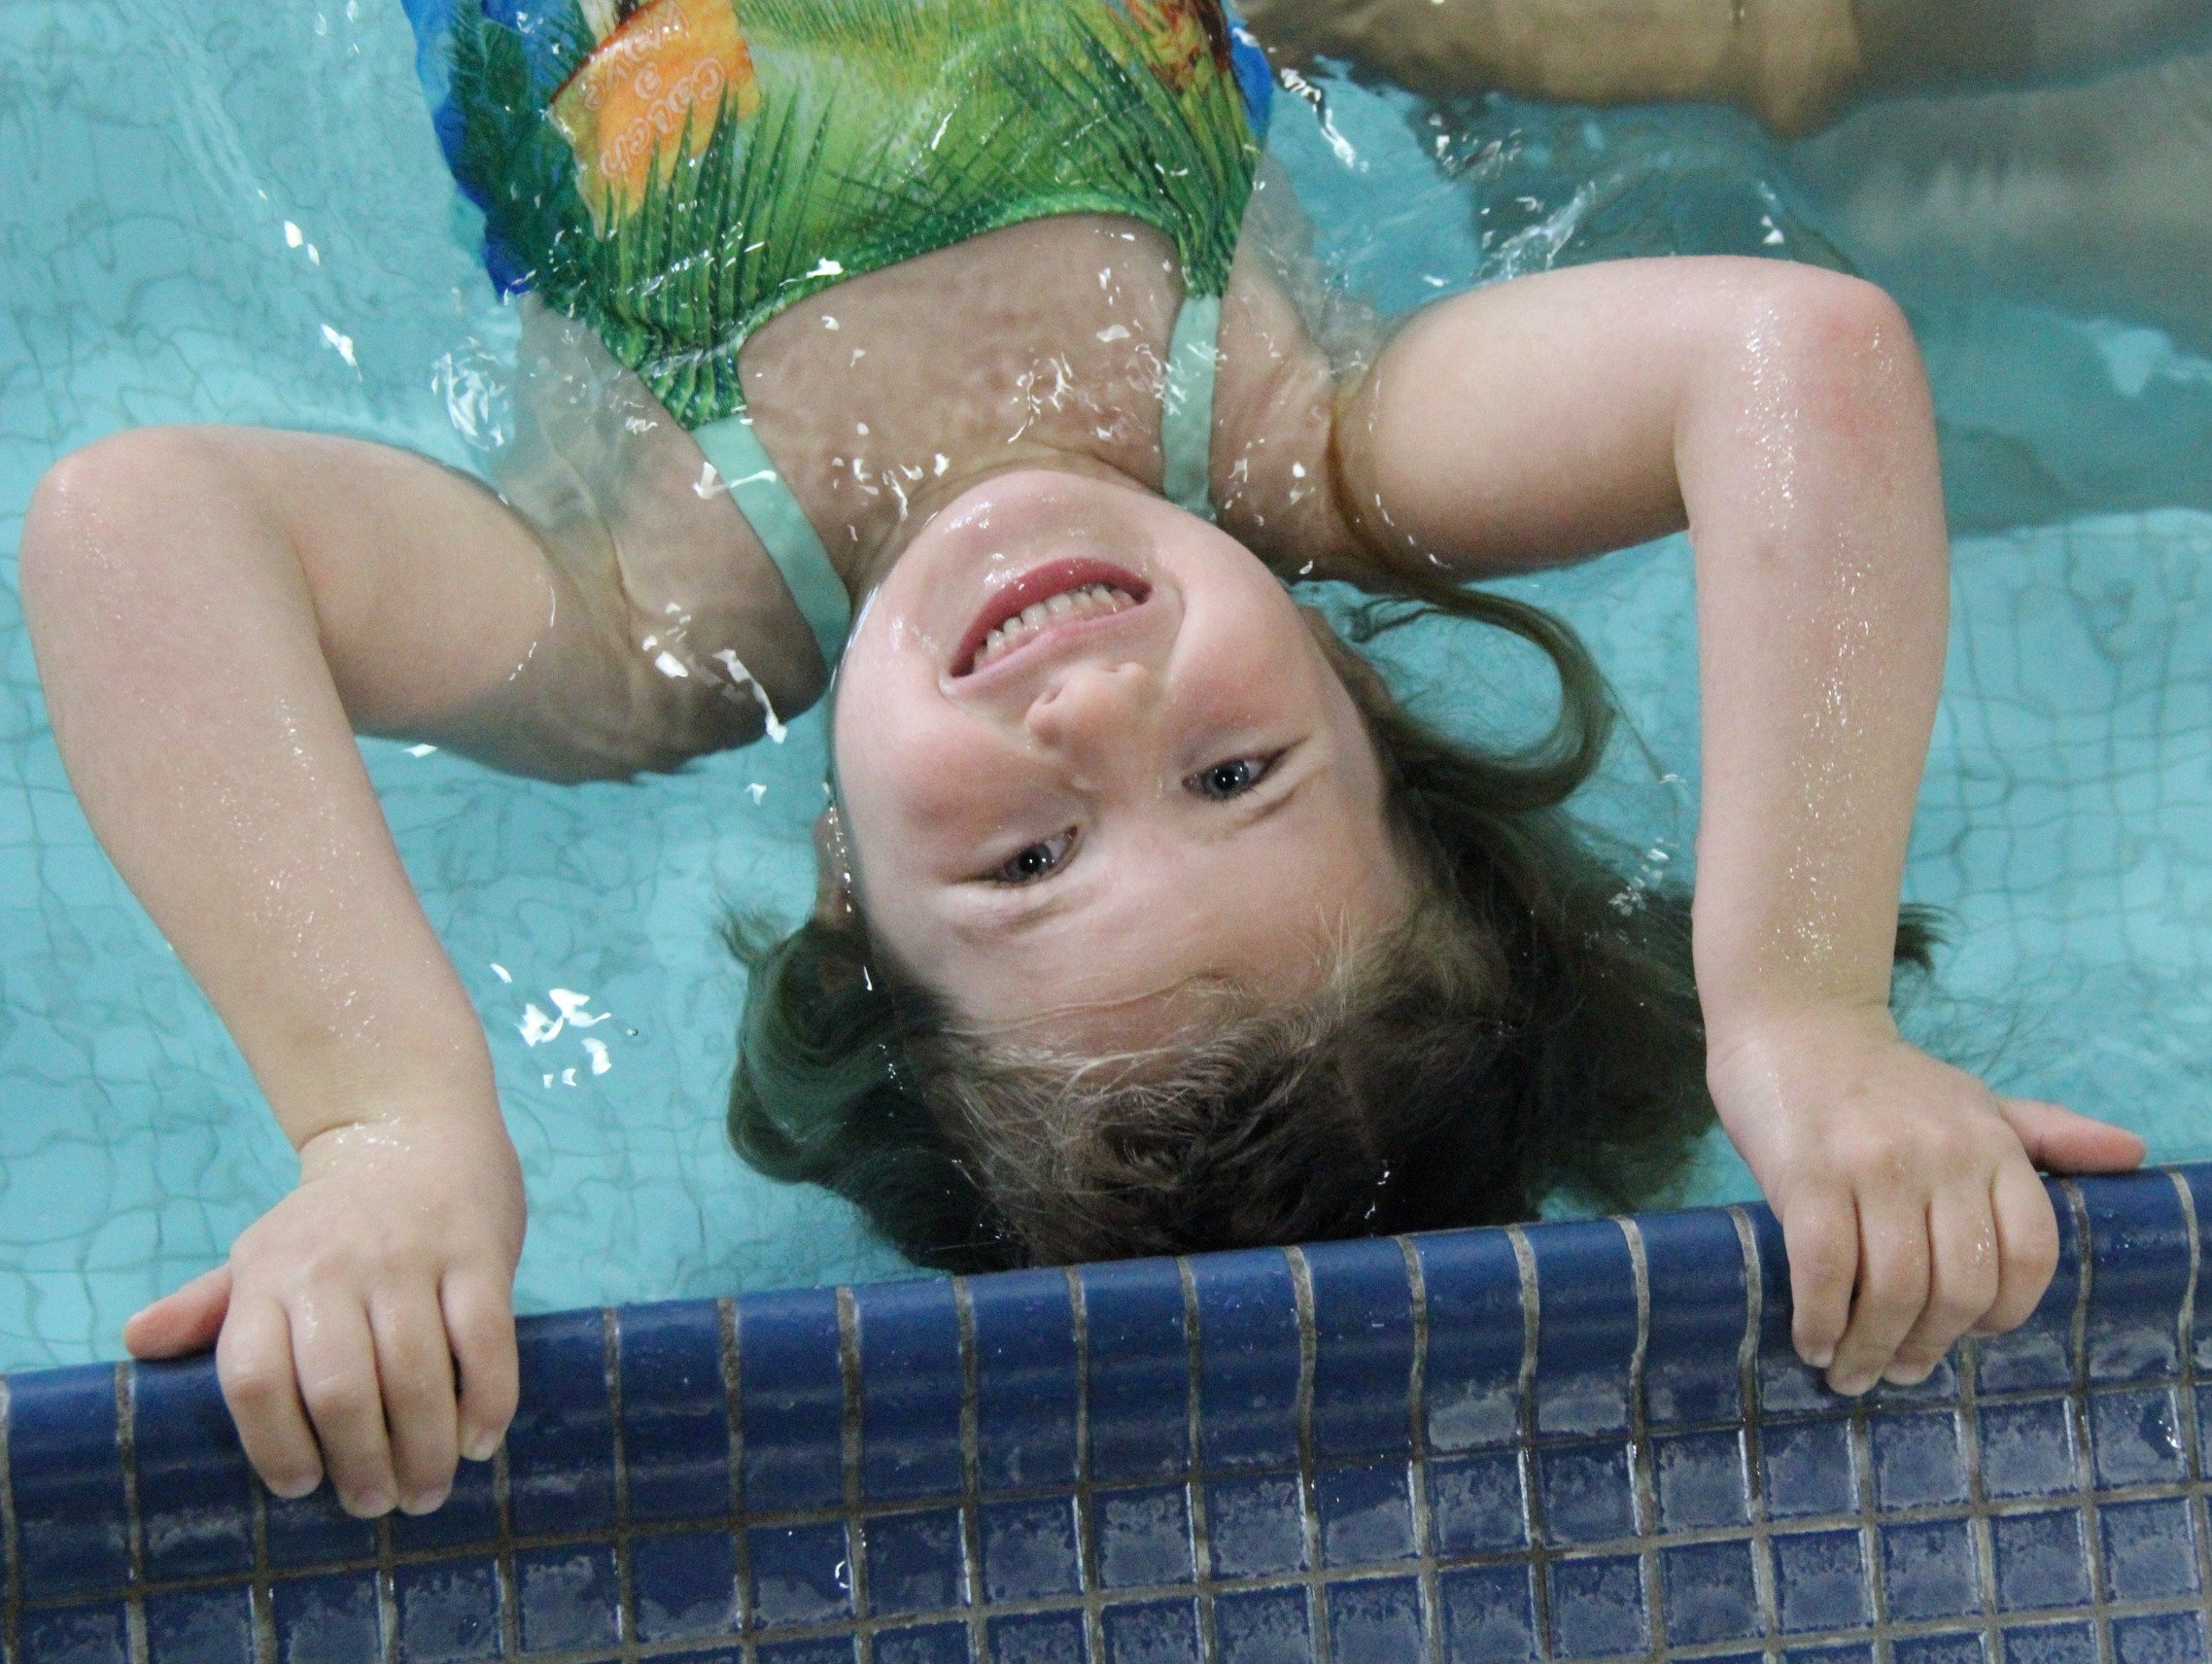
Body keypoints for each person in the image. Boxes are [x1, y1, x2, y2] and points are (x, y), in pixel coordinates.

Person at [17, 0, 2159, 1524]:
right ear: (1350, 688)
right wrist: (1795, 999)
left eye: (1028, 860)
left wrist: (383, 1118)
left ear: (855, 905)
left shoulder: (643, 617)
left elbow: (136, 526)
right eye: (1240, 776)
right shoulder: (1308, 444)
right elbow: (1799, 355)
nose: (1096, 716)